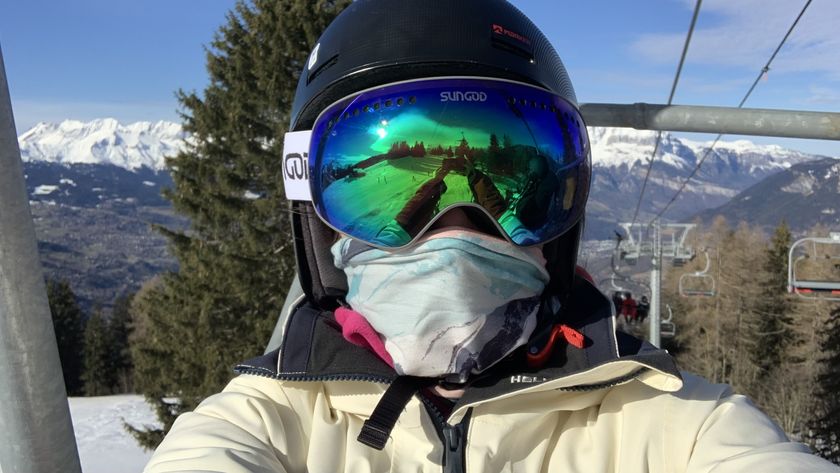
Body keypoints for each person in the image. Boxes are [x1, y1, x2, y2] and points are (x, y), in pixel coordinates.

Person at [144, 1, 839, 471]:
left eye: (507, 189)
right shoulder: (266, 421)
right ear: (316, 220)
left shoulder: (671, 421)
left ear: (561, 223)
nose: (453, 231)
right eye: (378, 196)